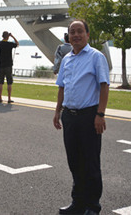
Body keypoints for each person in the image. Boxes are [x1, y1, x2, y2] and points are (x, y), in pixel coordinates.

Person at [53, 20, 110, 215]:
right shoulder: (66, 59)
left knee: (90, 162)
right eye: (72, 32)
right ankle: (77, 203)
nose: (76, 35)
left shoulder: (96, 57)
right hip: (70, 116)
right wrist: (57, 112)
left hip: (89, 116)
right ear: (68, 37)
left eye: (80, 31)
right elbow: (62, 87)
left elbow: (104, 86)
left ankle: (92, 206)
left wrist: (100, 114)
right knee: (74, 162)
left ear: (87, 34)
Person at [0, 31, 18, 103]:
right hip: (8, 65)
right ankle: (9, 98)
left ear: (2, 36)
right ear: (8, 37)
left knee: (0, 82)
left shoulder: (0, 44)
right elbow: (17, 44)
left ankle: (0, 98)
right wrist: (12, 36)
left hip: (1, 65)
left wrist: (8, 37)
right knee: (9, 83)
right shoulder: (10, 44)